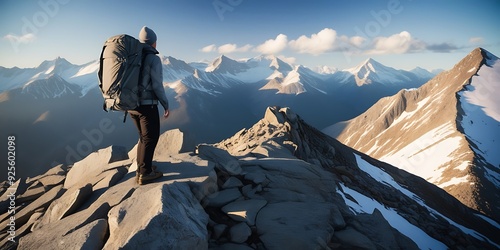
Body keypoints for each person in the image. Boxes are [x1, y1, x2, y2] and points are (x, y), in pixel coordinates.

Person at [128, 26, 170, 185]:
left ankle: (141, 168)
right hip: (147, 106)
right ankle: (145, 173)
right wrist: (165, 104)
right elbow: (157, 85)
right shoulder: (153, 59)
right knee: (151, 137)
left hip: (131, 105)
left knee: (143, 138)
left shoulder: (133, 56)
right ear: (154, 43)